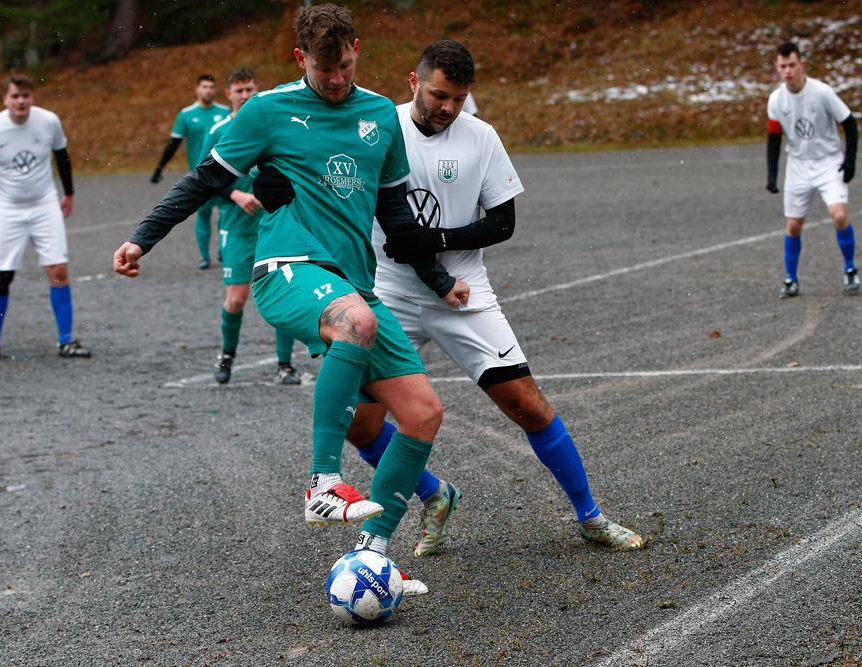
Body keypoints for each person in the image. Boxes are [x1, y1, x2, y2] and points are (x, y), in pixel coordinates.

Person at [114, 4, 468, 593]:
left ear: (358, 49)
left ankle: (373, 556)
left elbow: (397, 216)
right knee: (355, 322)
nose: (336, 80)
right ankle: (323, 485)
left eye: (346, 66)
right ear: (302, 58)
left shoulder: (381, 114)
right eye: (325, 69)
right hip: (286, 269)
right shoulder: (267, 111)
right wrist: (141, 239)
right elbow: (204, 179)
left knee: (423, 412)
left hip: (352, 283)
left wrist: (436, 279)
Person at [260, 41, 645, 555]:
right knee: (359, 424)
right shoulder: (372, 124)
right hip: (385, 296)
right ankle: (433, 496)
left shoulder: (481, 137)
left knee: (528, 407)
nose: (448, 108)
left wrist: (437, 241)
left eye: (459, 98)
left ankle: (591, 516)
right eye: (440, 95)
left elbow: (502, 222)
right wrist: (273, 181)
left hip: (465, 295)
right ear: (413, 82)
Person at [0, 74, 89, 362]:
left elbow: (62, 157)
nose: (20, 101)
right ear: (5, 99)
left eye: (26, 95)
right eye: (15, 96)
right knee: (1, 276)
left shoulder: (48, 121)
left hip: (45, 205)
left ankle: (66, 341)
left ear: (32, 97)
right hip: (8, 210)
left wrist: (68, 193)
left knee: (58, 269)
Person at [200, 68, 303, 386]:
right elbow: (204, 179)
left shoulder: (274, 125)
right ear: (228, 94)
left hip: (273, 226)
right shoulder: (219, 130)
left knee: (283, 293)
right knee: (237, 298)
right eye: (238, 90)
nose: (244, 95)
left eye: (249, 89)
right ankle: (227, 355)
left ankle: (285, 364)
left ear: (258, 90)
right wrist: (234, 193)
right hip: (236, 226)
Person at [766, 41, 860, 299]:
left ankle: (850, 269)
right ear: (777, 68)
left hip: (829, 161)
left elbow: (850, 124)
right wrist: (772, 174)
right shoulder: (776, 99)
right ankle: (791, 279)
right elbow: (774, 138)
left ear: (802, 65)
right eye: (783, 66)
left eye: (792, 65)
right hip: (799, 165)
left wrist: (849, 160)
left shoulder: (822, 92)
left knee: (839, 217)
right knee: (794, 224)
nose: (788, 71)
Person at [151, 74, 230, 270]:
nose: (208, 90)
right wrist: (160, 168)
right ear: (197, 89)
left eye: (212, 87)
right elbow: (173, 144)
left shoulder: (225, 112)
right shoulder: (186, 115)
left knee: (226, 213)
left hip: (225, 173)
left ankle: (224, 252)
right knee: (203, 214)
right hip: (201, 174)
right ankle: (204, 256)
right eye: (204, 87)